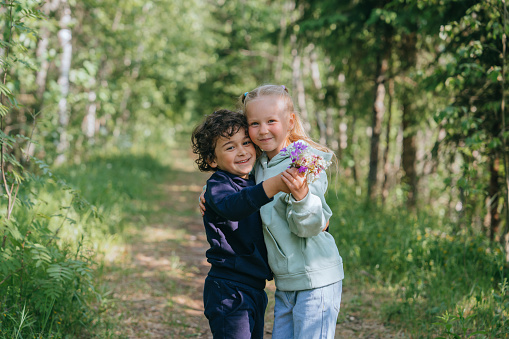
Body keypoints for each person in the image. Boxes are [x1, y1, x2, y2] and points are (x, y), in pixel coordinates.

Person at [201, 85, 344, 339]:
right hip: (285, 282)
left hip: (315, 276)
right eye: (254, 124)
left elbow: (314, 225)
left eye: (271, 121)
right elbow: (236, 187)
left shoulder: (304, 163)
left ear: (290, 122)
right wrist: (207, 192)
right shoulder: (261, 164)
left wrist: (301, 196)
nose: (263, 130)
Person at [191, 109, 297, 339]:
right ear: (212, 160)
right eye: (230, 147)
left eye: (246, 143)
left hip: (255, 287)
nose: (241, 152)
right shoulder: (218, 185)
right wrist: (273, 185)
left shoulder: (254, 179)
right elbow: (235, 206)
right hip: (229, 289)